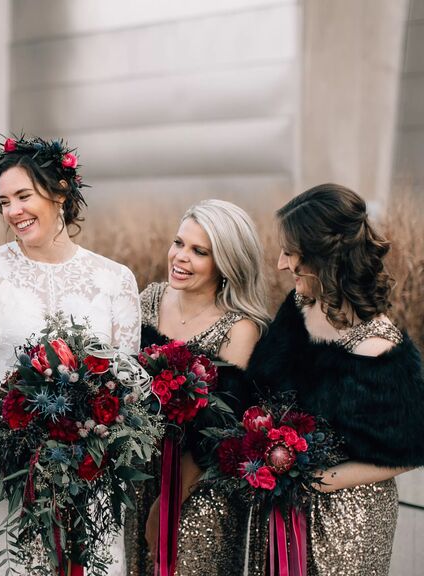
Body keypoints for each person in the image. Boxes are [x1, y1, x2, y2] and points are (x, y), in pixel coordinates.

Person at [0, 135, 141, 576]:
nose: (12, 211)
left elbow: (125, 384)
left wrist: (82, 438)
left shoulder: (114, 280)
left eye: (23, 196)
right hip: (7, 477)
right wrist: (21, 440)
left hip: (88, 476)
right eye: (3, 201)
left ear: (60, 193)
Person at [245, 183, 424, 574]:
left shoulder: (381, 349)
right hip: (279, 510)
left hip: (347, 521)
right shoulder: (298, 306)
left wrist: (315, 481)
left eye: (290, 253)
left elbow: (410, 451)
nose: (279, 263)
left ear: (324, 259)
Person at [132, 199, 269, 575]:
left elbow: (219, 433)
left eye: (199, 251)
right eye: (179, 243)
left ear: (226, 262)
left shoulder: (239, 329)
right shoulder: (149, 299)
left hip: (198, 491)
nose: (180, 257)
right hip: (139, 474)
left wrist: (169, 503)